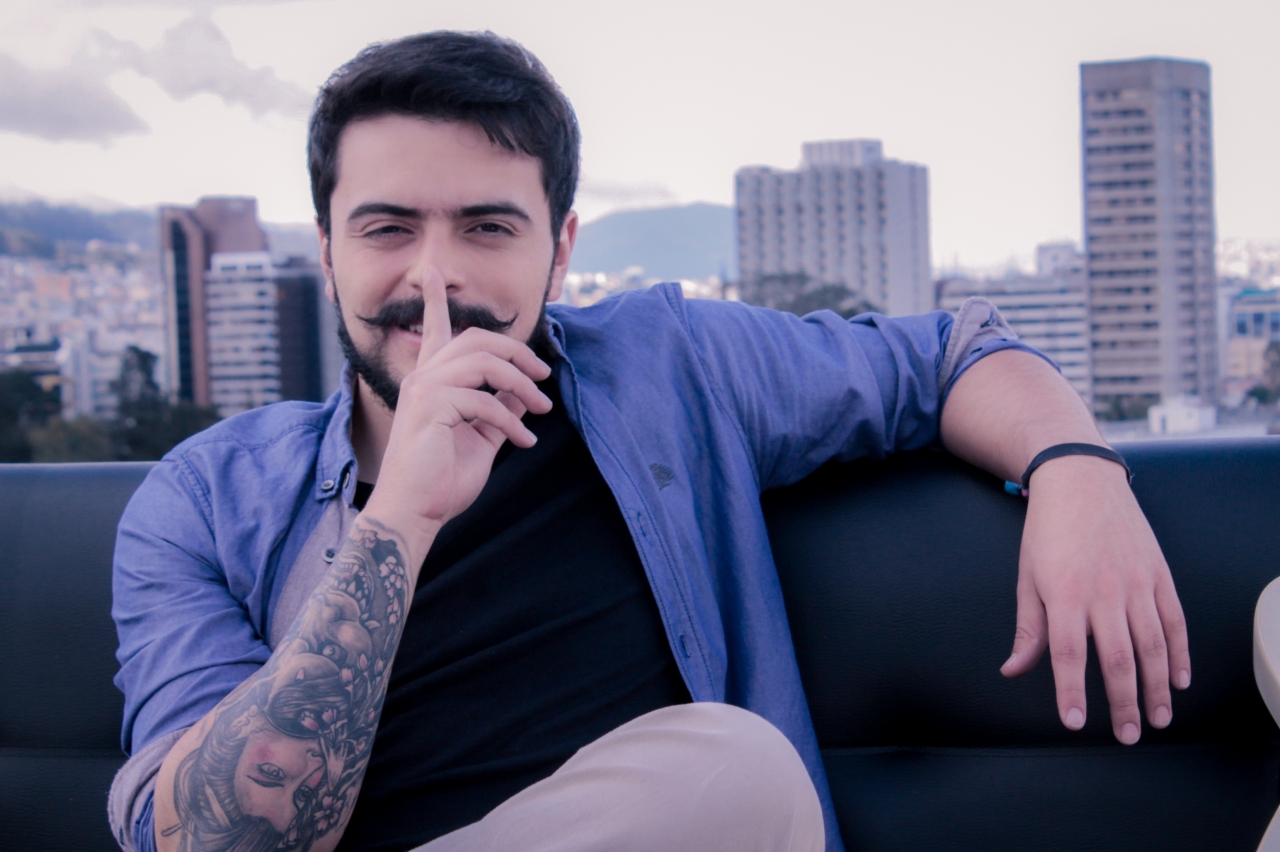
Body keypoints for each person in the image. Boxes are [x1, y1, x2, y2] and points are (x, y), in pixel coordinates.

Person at [109, 30, 1190, 852]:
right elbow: (207, 840)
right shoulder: (205, 500)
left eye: (488, 227)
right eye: (387, 228)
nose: (433, 276)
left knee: (726, 777)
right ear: (326, 249)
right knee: (736, 769)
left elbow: (950, 355)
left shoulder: (668, 364)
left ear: (560, 250)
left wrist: (1076, 473)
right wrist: (400, 516)